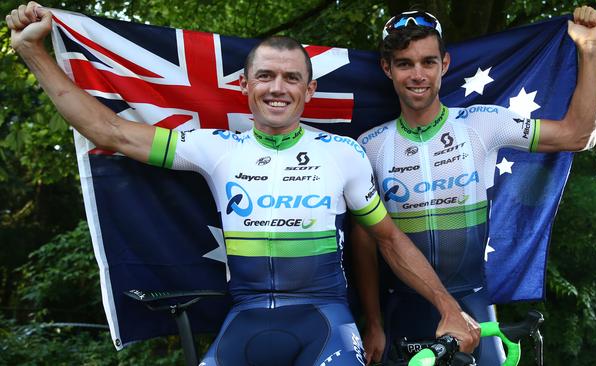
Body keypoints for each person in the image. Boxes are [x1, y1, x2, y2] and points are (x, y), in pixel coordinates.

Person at [6, 2, 483, 365]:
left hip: (327, 319)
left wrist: (446, 306)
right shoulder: (216, 148)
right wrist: (33, 52)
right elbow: (107, 130)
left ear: (309, 91)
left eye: (292, 77)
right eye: (266, 76)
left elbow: (389, 239)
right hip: (245, 318)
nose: (278, 87)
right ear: (245, 86)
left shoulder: (345, 153)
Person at [354, 6, 596, 365]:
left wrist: (591, 50)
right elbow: (366, 241)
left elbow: (579, 134)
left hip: (474, 303)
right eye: (405, 63)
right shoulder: (369, 146)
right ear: (387, 68)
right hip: (403, 310)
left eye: (428, 62)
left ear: (445, 64)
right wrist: (374, 322)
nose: (417, 74)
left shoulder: (482, 123)